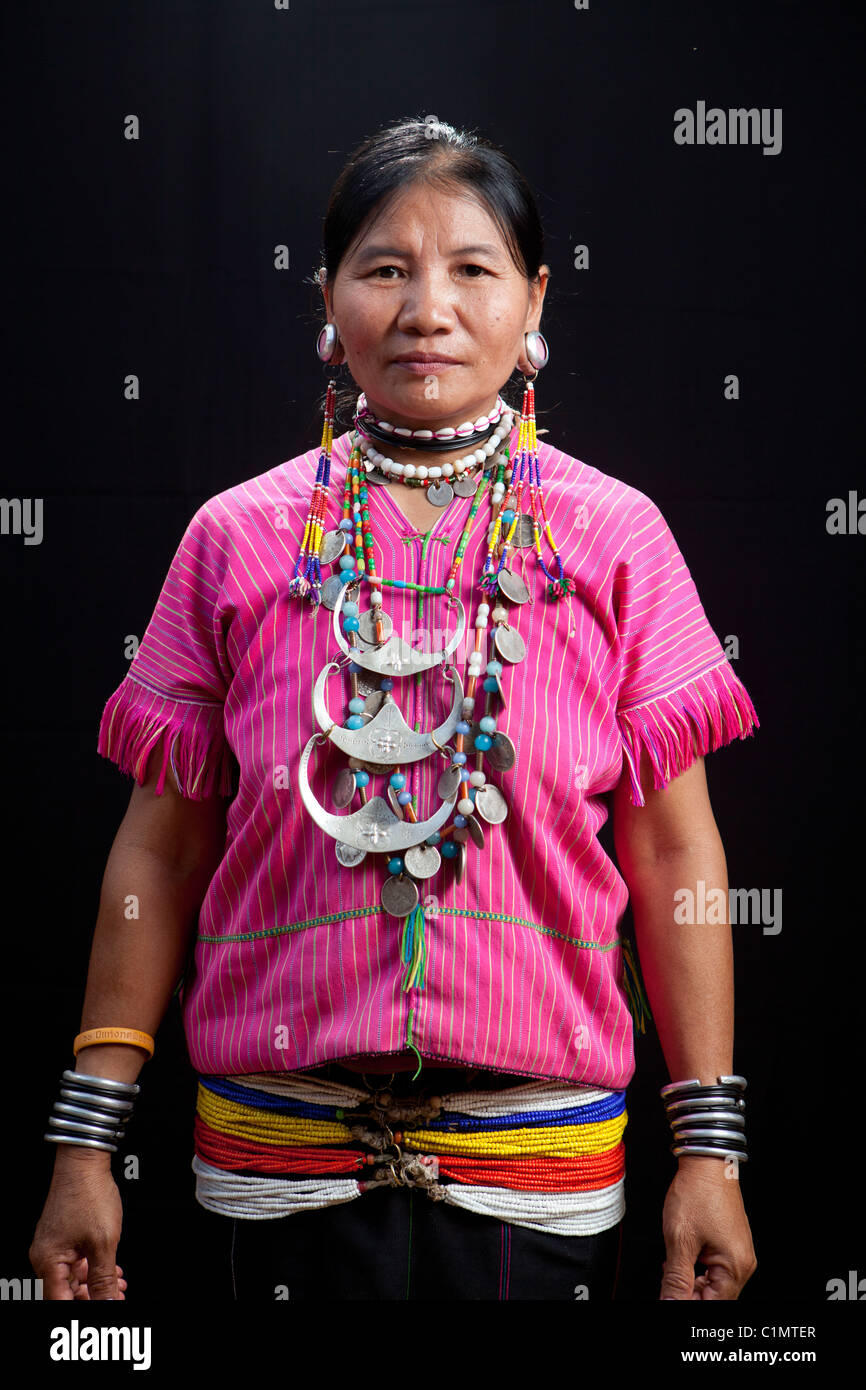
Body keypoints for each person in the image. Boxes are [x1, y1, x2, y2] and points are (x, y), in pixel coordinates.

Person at [30, 116, 759, 1302]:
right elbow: (157, 858)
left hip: (541, 1181)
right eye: (384, 268)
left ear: (531, 306)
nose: (427, 307)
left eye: (471, 269)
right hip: (275, 1168)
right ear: (327, 301)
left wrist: (709, 1156)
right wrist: (84, 1140)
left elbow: (675, 849)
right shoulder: (235, 539)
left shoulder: (616, 538)